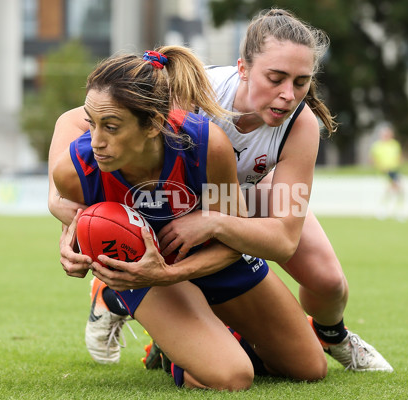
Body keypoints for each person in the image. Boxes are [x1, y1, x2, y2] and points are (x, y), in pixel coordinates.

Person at [50, 9, 393, 372]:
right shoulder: (196, 90)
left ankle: (331, 334)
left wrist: (213, 222)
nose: (288, 94)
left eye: (301, 81)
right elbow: (82, 119)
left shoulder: (300, 124)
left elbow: (283, 240)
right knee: (177, 257)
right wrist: (60, 203)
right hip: (177, 200)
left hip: (241, 196)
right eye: (275, 78)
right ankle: (130, 306)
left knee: (328, 281)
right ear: (242, 68)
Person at [50, 46, 327, 390]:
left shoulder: (207, 145)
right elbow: (76, 219)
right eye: (92, 124)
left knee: (309, 367)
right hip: (141, 273)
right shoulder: (76, 169)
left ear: (153, 125)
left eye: (111, 127)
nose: (96, 142)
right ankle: (172, 347)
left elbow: (236, 241)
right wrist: (72, 248)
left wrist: (174, 270)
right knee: (232, 377)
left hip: (209, 257)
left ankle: (211, 332)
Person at [370, 122, 406, 221]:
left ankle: (394, 210)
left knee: (396, 190)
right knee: (392, 189)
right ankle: (386, 210)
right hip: (383, 171)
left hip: (394, 170)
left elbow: (399, 157)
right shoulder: (377, 146)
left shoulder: (395, 145)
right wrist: (380, 167)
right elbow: (373, 160)